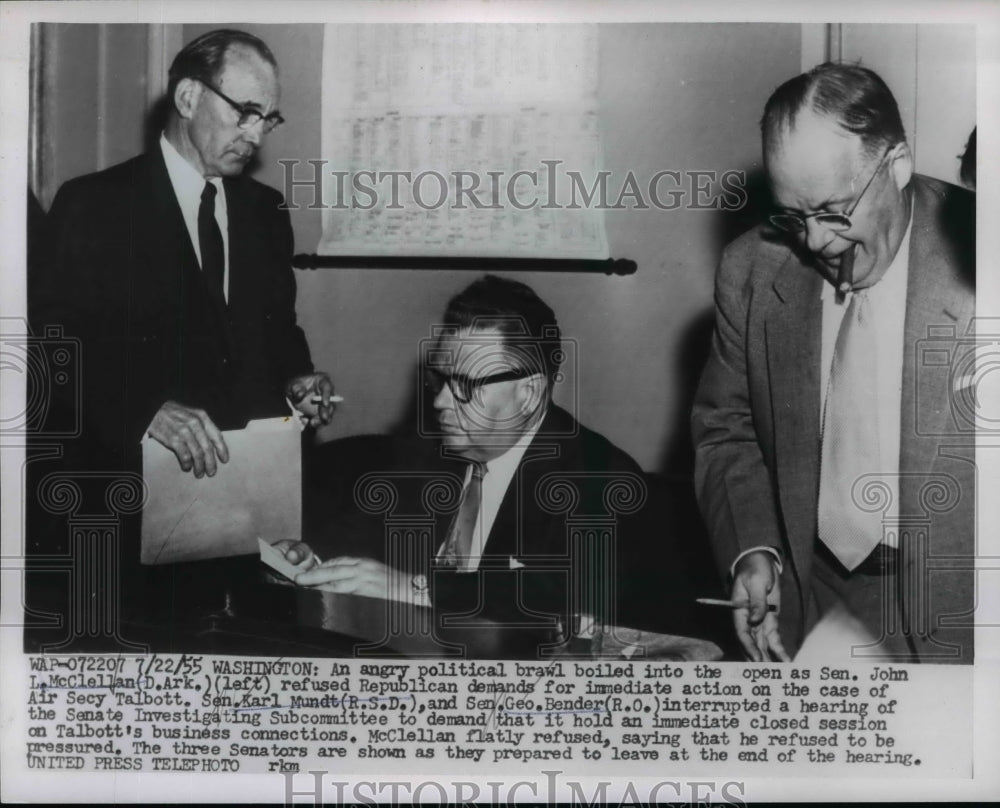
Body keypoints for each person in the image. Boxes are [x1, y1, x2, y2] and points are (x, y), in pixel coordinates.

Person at [691, 63, 975, 663]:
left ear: (895, 163)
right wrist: (752, 549)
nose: (816, 243)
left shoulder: (983, 256)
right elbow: (726, 428)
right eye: (794, 216)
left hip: (963, 615)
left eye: (834, 211)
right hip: (806, 601)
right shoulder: (752, 269)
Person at [278, 275, 711, 654]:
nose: (440, 401)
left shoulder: (600, 477)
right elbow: (362, 533)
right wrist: (311, 558)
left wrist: (414, 588)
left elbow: (563, 595)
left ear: (528, 392)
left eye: (465, 385)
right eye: (439, 379)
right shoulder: (426, 452)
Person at [30, 29, 334, 486]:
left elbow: (279, 332)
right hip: (129, 488)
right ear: (189, 97)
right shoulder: (94, 205)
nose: (255, 135)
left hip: (246, 485)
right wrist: (143, 411)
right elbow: (51, 346)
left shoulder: (265, 211)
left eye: (267, 119)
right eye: (246, 113)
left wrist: (297, 382)